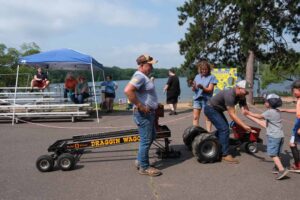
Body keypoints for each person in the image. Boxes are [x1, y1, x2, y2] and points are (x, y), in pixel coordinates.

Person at [124, 54, 161, 177]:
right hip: (143, 114)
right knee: (146, 140)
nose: (151, 67)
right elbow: (128, 90)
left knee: (151, 136)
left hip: (148, 113)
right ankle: (144, 167)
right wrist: (141, 106)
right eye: (149, 65)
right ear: (142, 65)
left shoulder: (143, 76)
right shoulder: (139, 76)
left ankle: (140, 160)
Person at [203, 80, 257, 164]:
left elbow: (246, 111)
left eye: (248, 91)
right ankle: (225, 154)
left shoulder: (241, 96)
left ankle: (215, 142)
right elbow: (232, 115)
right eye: (246, 91)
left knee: (223, 128)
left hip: (217, 110)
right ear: (239, 88)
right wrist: (244, 126)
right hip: (210, 108)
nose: (247, 93)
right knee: (224, 129)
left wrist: (259, 119)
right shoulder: (230, 95)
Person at [243, 94, 289, 180]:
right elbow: (262, 122)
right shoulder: (277, 111)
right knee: (277, 153)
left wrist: (248, 113)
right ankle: (277, 167)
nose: (265, 102)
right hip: (280, 136)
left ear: (270, 103)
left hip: (273, 136)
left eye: (266, 101)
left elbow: (259, 116)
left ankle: (282, 170)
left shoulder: (269, 112)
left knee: (272, 153)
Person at [279, 80, 300, 172]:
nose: (293, 92)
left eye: (294, 90)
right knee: (292, 144)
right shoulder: (299, 99)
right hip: (297, 124)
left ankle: (298, 165)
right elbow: (298, 111)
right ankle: (297, 164)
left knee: (292, 144)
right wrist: (285, 110)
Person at [192, 61, 217, 131]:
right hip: (197, 99)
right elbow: (194, 90)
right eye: (202, 69)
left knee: (208, 118)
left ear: (208, 69)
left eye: (206, 69)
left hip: (207, 99)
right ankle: (195, 132)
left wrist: (202, 87)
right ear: (200, 69)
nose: (204, 71)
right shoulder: (197, 76)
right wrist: (194, 87)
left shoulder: (212, 77)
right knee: (195, 117)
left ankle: (208, 133)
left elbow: (210, 89)